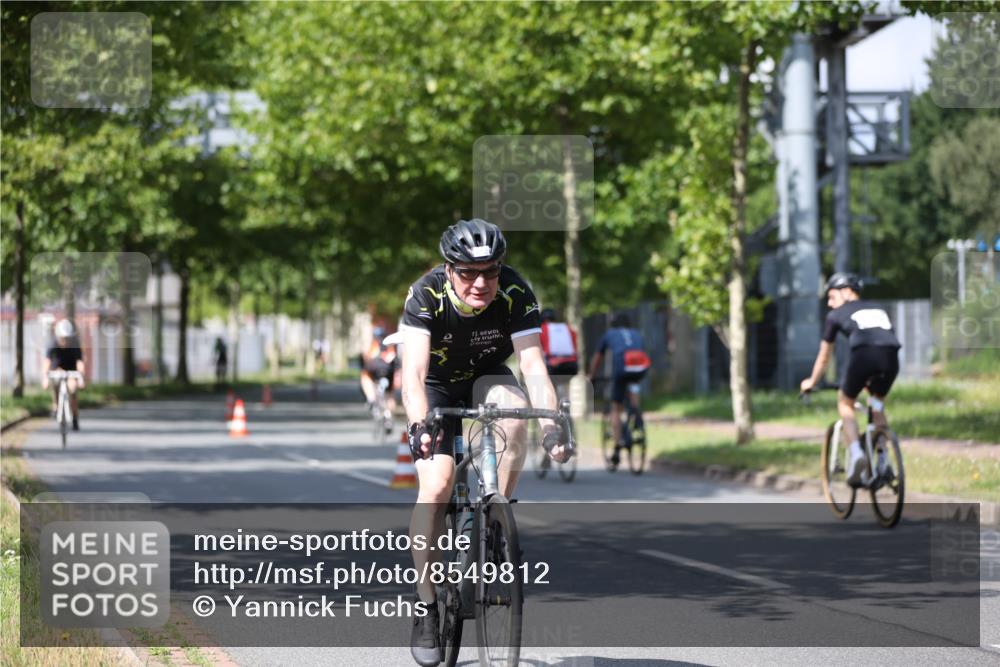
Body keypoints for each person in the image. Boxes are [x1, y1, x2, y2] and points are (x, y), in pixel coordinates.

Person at [400, 218, 570, 666]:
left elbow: (533, 365)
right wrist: (420, 426)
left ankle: (496, 518)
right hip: (435, 387)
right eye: (468, 272)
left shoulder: (515, 292)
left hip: (487, 376)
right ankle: (426, 604)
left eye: (491, 271)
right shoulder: (426, 294)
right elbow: (413, 376)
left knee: (514, 415)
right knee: (436, 485)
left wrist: (550, 423)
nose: (481, 282)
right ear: (449, 269)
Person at [800, 272, 902, 486]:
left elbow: (824, 356)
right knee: (877, 405)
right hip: (891, 359)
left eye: (832, 296)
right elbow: (884, 339)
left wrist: (812, 381)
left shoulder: (836, 315)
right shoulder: (878, 308)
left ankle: (856, 454)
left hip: (864, 356)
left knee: (845, 402)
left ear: (847, 292)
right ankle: (884, 459)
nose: (829, 303)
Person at [588, 312, 651, 466]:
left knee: (616, 408)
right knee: (634, 384)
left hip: (622, 368)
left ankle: (617, 446)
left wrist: (592, 376)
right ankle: (636, 414)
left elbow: (598, 358)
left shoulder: (609, 334)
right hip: (640, 367)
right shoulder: (636, 333)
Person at [40, 319, 86, 431]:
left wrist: (81, 377)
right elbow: (46, 362)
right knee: (55, 384)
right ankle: (56, 406)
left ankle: (75, 417)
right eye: (62, 338)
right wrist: (45, 378)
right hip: (57, 369)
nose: (64, 341)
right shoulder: (52, 344)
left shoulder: (75, 344)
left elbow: (80, 362)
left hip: (71, 371)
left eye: (67, 338)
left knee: (73, 389)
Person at [360, 326, 399, 421]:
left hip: (375, 368)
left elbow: (366, 358)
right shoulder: (390, 345)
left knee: (365, 377)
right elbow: (396, 360)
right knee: (390, 394)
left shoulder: (373, 345)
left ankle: (371, 399)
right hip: (389, 370)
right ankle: (389, 416)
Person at [539, 308, 579, 395]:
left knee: (551, 388)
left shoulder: (541, 329)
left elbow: (538, 351)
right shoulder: (568, 328)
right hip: (572, 365)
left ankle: (554, 404)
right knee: (567, 387)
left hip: (553, 366)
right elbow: (575, 347)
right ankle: (567, 403)